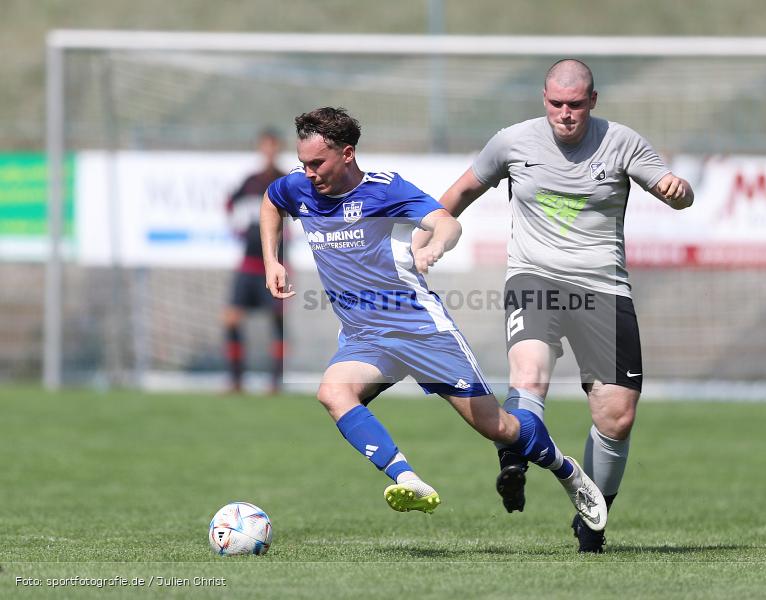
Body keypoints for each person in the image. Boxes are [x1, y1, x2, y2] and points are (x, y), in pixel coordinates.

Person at [260, 107, 606, 529]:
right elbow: (272, 201)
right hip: (366, 338)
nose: (309, 173)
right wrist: (271, 261)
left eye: (318, 163)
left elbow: (446, 224)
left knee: (498, 428)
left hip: (423, 332)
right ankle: (407, 479)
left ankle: (566, 471)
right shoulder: (299, 188)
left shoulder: (385, 191)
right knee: (333, 393)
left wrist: (434, 246)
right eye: (303, 164)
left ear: (347, 154)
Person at [435, 59, 694, 552]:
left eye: (575, 105)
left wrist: (678, 192)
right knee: (529, 375)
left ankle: (592, 518)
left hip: (603, 287)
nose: (565, 114)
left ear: (593, 101)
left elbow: (674, 192)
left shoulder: (622, 143)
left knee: (616, 417)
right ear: (544, 99)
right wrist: (429, 234)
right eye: (556, 104)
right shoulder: (512, 142)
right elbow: (458, 194)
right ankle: (512, 459)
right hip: (533, 278)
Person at [223, 129, 287, 393]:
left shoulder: (285, 181)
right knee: (231, 319)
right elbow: (229, 204)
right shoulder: (250, 181)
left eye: (273, 146)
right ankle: (236, 381)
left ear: (278, 148)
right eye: (265, 146)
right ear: (260, 148)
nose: (269, 151)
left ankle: (275, 383)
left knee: (277, 321)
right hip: (248, 264)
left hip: (274, 263)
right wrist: (236, 229)